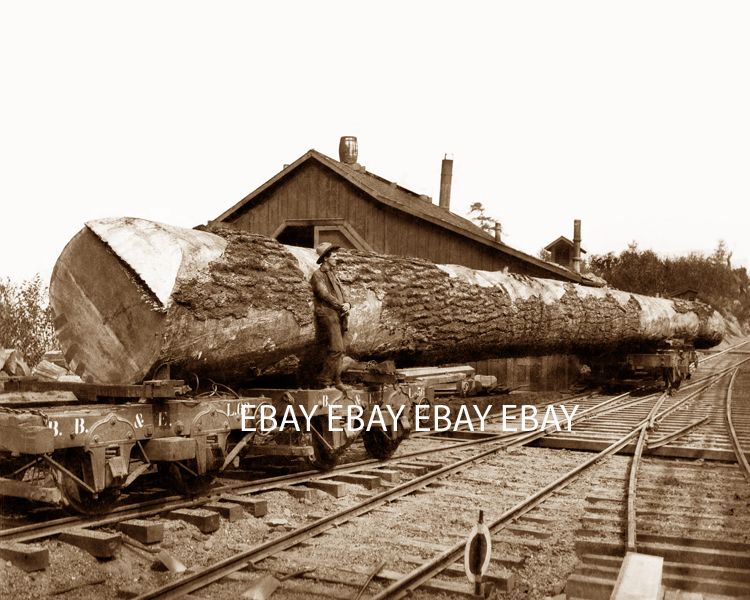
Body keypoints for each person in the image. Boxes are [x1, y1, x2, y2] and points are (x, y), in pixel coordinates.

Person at [310, 242, 351, 389]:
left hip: (338, 314)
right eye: (334, 256)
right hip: (327, 314)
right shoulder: (318, 275)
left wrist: (347, 304)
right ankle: (324, 380)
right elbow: (324, 295)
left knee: (342, 350)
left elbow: (343, 294)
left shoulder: (334, 275)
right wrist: (341, 306)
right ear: (326, 258)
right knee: (336, 348)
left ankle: (338, 381)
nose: (337, 258)